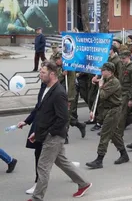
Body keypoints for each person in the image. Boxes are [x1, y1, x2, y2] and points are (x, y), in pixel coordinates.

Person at [28, 61, 91, 201]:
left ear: (52, 74)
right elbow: (44, 113)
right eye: (40, 72)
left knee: (43, 167)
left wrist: (49, 134)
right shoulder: (47, 88)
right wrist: (37, 133)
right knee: (62, 161)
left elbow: (63, 118)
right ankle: (84, 183)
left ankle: (37, 198)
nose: (40, 75)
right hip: (47, 133)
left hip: (54, 136)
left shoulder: (59, 93)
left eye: (43, 72)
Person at [86, 62, 128, 169]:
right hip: (107, 110)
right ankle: (124, 155)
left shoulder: (114, 82)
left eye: (103, 70)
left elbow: (103, 95)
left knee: (104, 134)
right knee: (114, 134)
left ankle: (99, 160)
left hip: (114, 110)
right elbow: (98, 99)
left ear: (109, 71)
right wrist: (93, 111)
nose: (101, 72)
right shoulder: (105, 80)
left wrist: (100, 86)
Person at [53, 52, 86, 143]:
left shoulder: (70, 67)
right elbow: (55, 80)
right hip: (60, 94)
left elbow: (71, 83)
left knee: (66, 116)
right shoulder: (58, 68)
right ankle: (79, 125)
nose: (56, 61)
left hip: (69, 95)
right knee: (63, 115)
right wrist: (62, 74)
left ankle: (65, 136)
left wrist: (70, 98)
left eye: (58, 59)